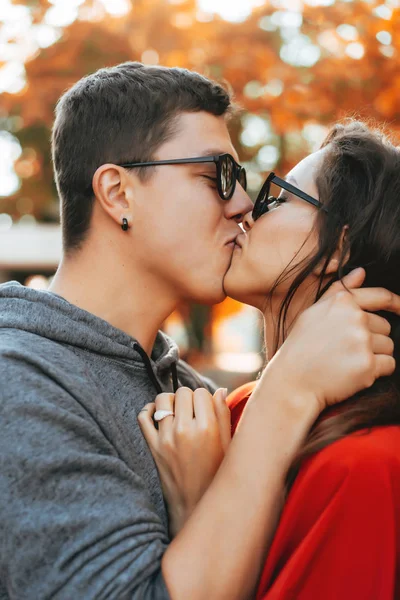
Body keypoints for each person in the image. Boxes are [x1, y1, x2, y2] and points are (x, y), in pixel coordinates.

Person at [0, 62, 398, 600]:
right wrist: (286, 392)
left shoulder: (199, 399)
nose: (241, 206)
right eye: (216, 176)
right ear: (118, 193)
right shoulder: (20, 381)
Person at [140, 120, 400, 599]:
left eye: (276, 197)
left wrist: (198, 509)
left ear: (336, 248)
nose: (243, 210)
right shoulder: (228, 415)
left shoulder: (365, 466)